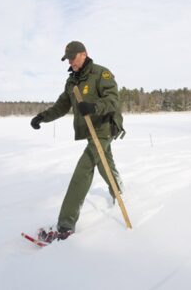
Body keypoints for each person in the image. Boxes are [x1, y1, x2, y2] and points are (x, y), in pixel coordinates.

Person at [30, 41, 125, 240]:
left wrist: (93, 106)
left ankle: (65, 224)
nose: (71, 62)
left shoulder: (101, 74)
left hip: (105, 127)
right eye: (68, 59)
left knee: (85, 167)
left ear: (84, 54)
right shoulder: (72, 82)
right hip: (91, 131)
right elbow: (61, 106)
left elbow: (113, 100)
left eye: (73, 57)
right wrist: (42, 117)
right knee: (104, 162)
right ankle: (119, 189)